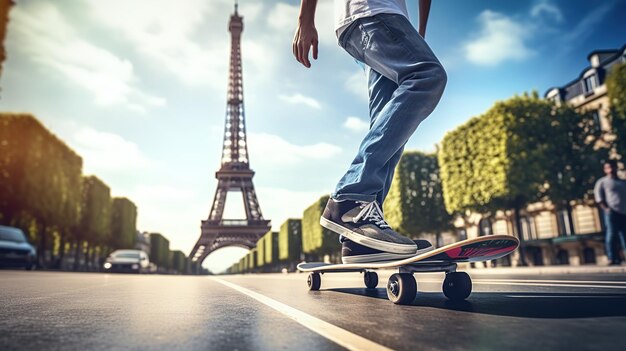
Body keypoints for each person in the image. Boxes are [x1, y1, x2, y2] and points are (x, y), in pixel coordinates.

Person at [292, 0, 446, 262]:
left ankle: (361, 235)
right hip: (372, 12)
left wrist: (419, 30)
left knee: (388, 117)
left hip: (373, 18)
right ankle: (351, 196)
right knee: (427, 75)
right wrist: (305, 19)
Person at [594, 160, 626, 265]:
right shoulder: (602, 182)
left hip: (624, 212)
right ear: (605, 170)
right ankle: (612, 257)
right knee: (611, 235)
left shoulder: (622, 182)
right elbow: (599, 197)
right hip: (612, 212)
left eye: (612, 167)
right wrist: (606, 209)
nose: (611, 170)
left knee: (624, 236)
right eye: (608, 168)